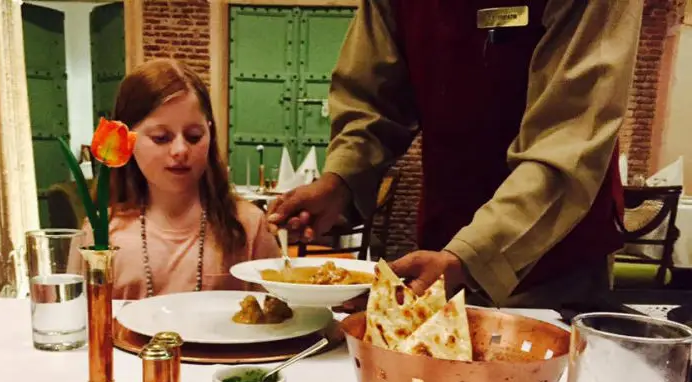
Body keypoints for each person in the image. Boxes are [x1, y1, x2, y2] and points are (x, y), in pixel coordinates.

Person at [268, 1, 643, 307]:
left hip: (556, 262)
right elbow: (371, 99)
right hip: (442, 246)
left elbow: (570, 133)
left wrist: (473, 255)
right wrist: (342, 180)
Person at [81, 58, 280, 299]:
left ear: (210, 133)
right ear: (128, 140)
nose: (180, 150)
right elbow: (76, 315)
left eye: (194, 136)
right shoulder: (101, 234)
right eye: (161, 137)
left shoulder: (248, 226)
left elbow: (280, 310)